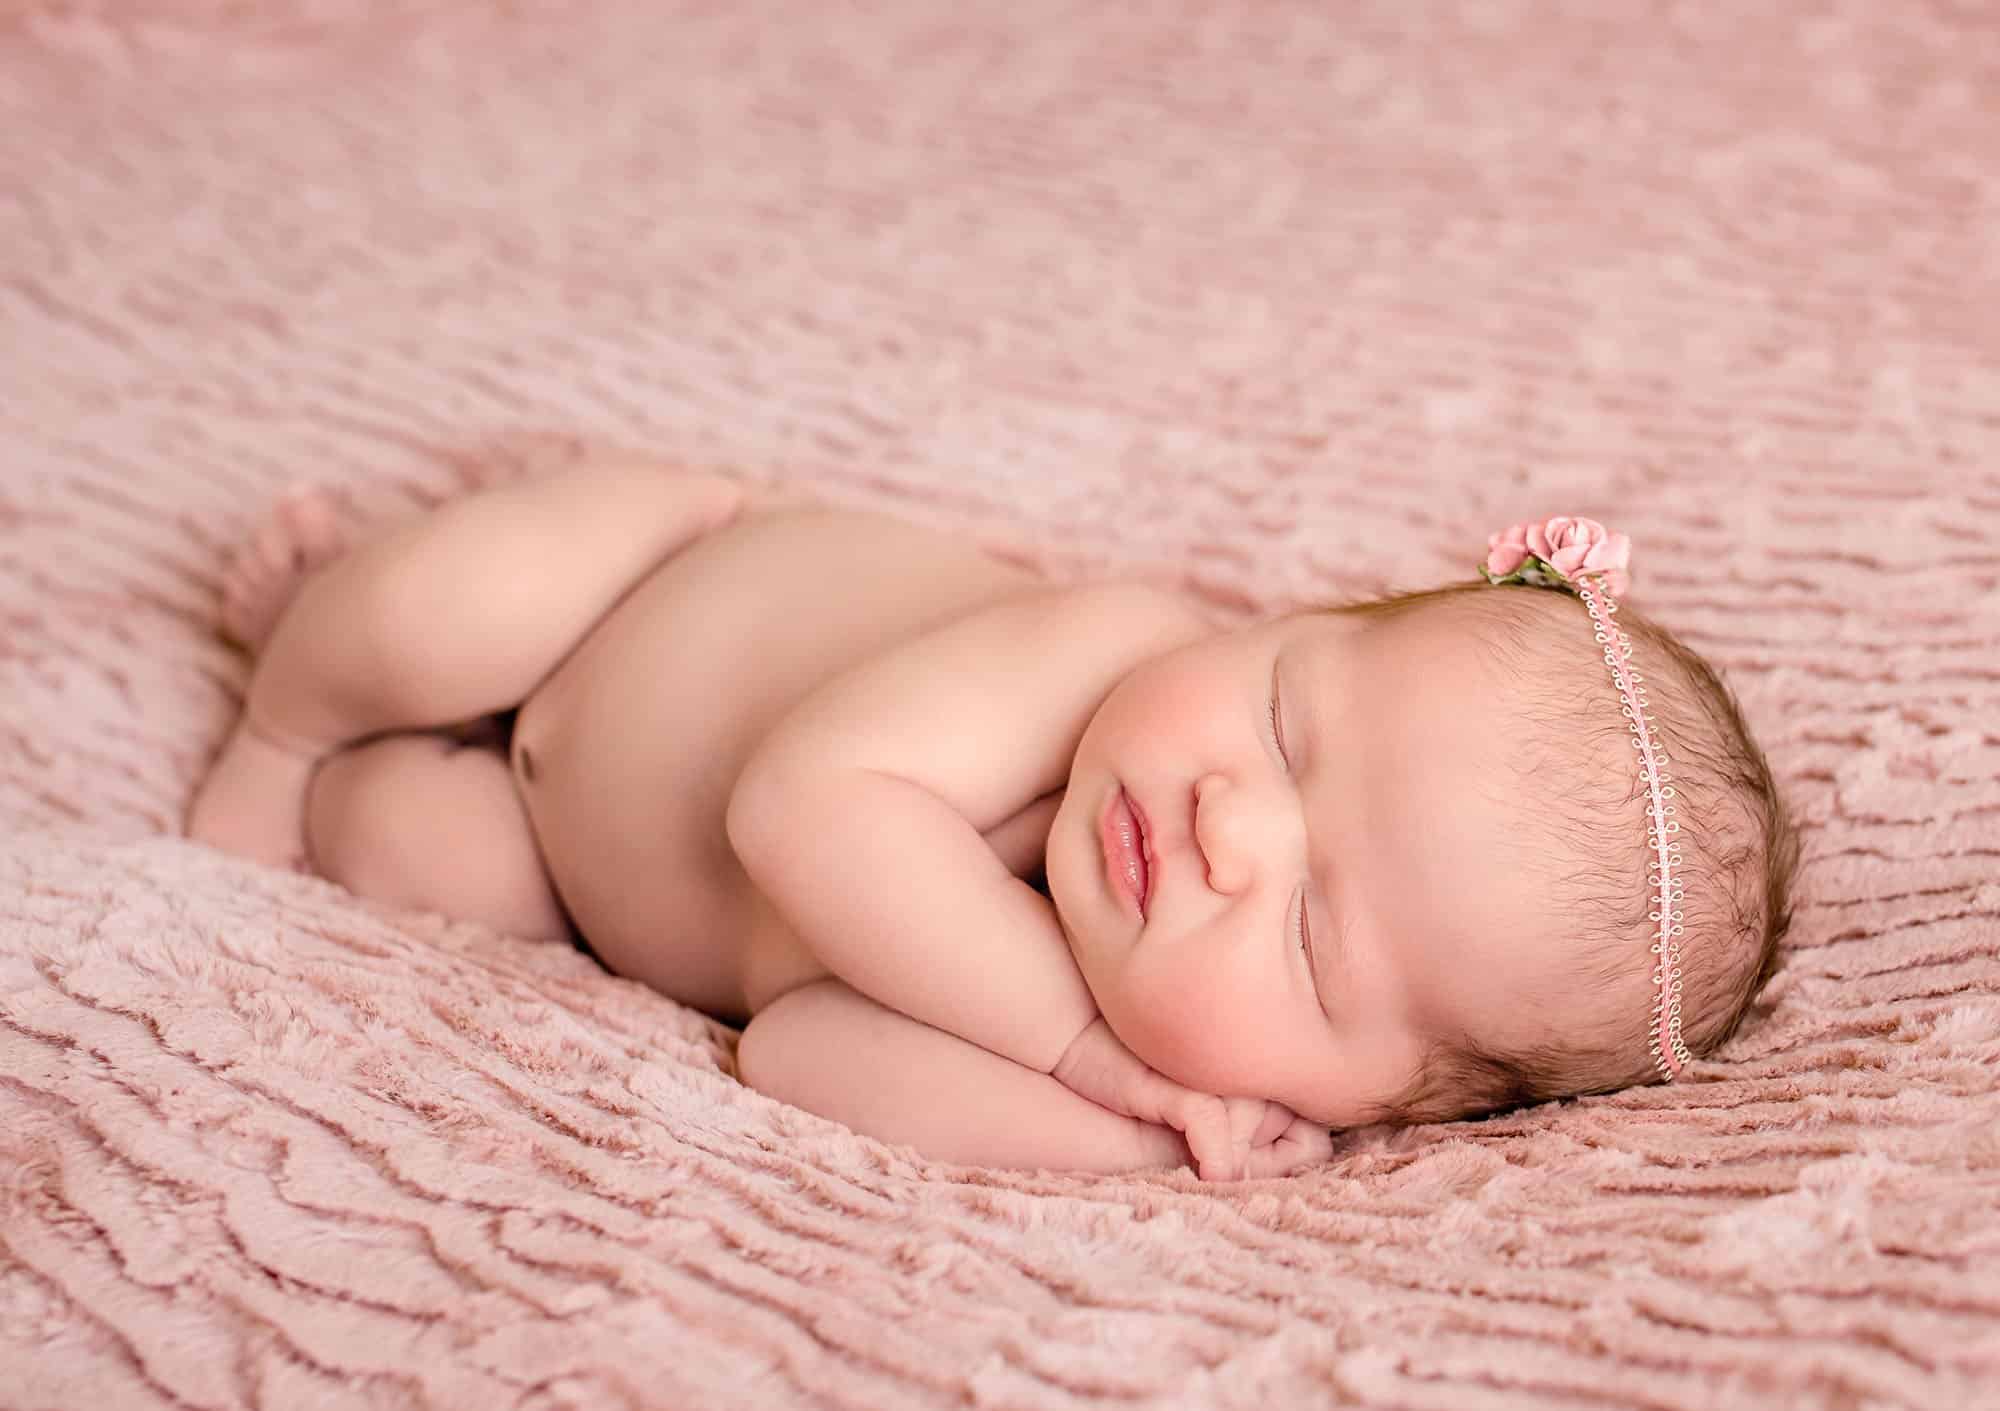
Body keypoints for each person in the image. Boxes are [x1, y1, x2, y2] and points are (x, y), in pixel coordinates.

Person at [186, 457, 1801, 1180]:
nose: (1237, 830)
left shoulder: (1126, 1048)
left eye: (1312, 941)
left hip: (563, 868)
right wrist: (1082, 1052)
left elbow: (799, 1046)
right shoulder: (1114, 645)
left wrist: (1127, 1128)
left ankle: (357, 763)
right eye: (1290, 724)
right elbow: (800, 804)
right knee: (436, 612)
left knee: (408, 852)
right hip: (638, 580)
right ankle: (290, 701)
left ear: (1368, 1104)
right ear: (1289, 618)